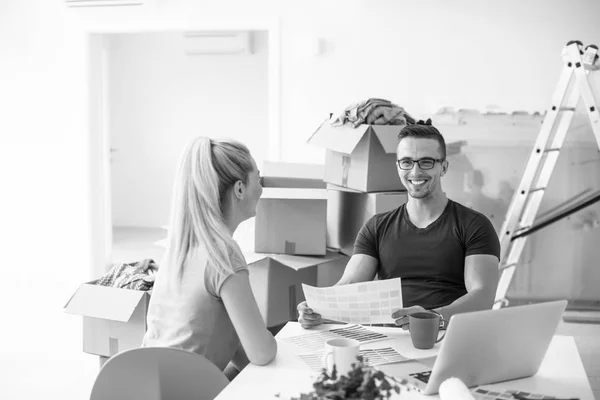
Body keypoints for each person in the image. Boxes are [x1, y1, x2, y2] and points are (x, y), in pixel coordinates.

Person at [298, 119, 500, 329]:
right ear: (398, 166)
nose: (415, 172)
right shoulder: (377, 227)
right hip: (390, 338)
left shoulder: (474, 225)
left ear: (444, 167)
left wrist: (430, 318)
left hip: (446, 335)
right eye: (407, 162)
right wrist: (319, 309)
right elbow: (350, 286)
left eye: (426, 162)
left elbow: (483, 296)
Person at [142, 137, 277, 379]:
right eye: (257, 178)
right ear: (239, 189)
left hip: (150, 386)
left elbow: (236, 350)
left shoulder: (180, 249)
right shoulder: (223, 253)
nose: (261, 188)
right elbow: (262, 353)